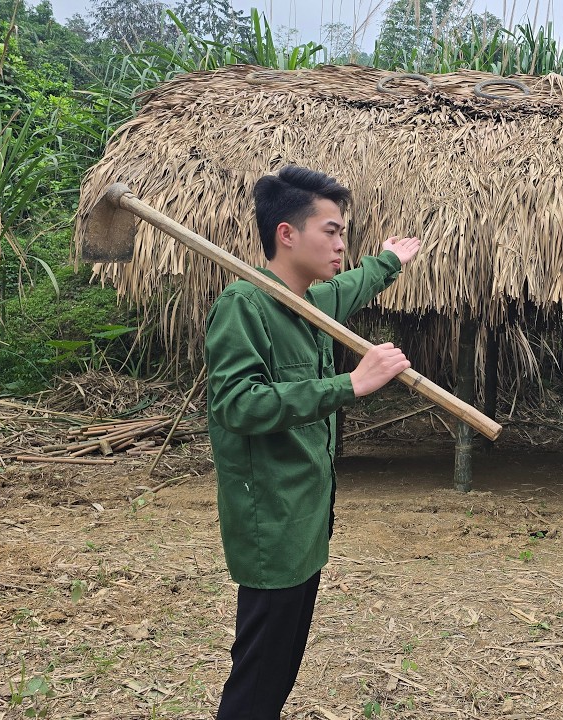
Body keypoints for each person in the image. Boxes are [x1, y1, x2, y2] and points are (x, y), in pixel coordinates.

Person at [205, 165, 421, 719]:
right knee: (257, 680)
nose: (341, 243)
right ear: (287, 234)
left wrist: (389, 262)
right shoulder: (245, 305)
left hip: (307, 522)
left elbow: (350, 285)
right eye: (330, 230)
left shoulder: (309, 305)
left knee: (278, 672)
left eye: (343, 231)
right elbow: (237, 405)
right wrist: (349, 383)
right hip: (272, 525)